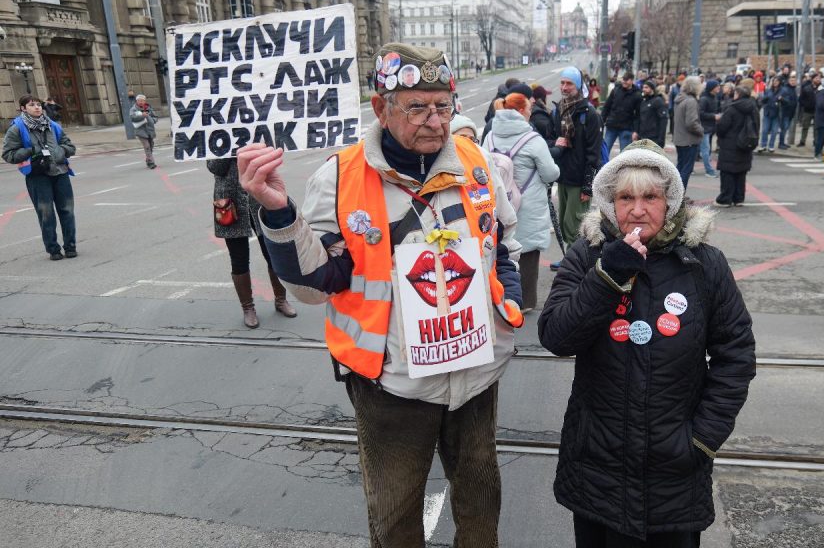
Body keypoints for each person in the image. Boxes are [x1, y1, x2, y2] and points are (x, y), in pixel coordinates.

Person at [236, 43, 523, 546]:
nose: (435, 121)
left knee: (482, 507)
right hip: (391, 385)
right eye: (417, 107)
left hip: (476, 375)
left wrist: (507, 307)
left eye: (444, 105)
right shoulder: (340, 177)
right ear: (381, 108)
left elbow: (504, 243)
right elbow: (314, 286)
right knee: (394, 519)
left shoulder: (478, 163)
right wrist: (280, 214)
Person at [537, 139, 756, 547]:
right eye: (626, 198)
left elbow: (736, 355)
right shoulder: (589, 255)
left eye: (650, 197)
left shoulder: (704, 264)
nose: (638, 210)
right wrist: (607, 275)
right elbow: (556, 336)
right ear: (610, 203)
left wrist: (703, 438)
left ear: (670, 201)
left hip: (675, 466)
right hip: (597, 463)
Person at [486, 91, 560, 311]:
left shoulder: (489, 135)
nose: (530, 111)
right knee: (527, 253)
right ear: (520, 111)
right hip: (527, 205)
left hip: (499, 203)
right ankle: (525, 303)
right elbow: (550, 174)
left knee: (499, 251)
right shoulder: (532, 139)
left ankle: (498, 297)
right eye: (528, 108)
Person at [208, 158, 297, 328]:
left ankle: (281, 300)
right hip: (229, 203)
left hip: (260, 200)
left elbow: (271, 160)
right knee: (239, 259)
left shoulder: (255, 133)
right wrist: (230, 150)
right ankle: (248, 308)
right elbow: (215, 167)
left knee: (273, 254)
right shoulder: (216, 135)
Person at [3, 94, 77, 261]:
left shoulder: (53, 125)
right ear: (23, 108)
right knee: (46, 213)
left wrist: (61, 151)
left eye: (38, 104)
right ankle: (53, 249)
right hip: (37, 175)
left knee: (67, 211)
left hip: (60, 171)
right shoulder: (17, 128)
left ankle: (70, 246)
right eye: (31, 105)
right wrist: (30, 151)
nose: (37, 107)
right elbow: (8, 154)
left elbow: (70, 146)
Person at [552, 66, 603, 269]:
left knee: (575, 225)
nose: (564, 87)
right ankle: (571, 259)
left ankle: (577, 264)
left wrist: (587, 185)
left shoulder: (589, 113)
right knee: (566, 224)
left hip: (579, 179)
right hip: (563, 176)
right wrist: (555, 143)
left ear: (578, 85)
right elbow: (549, 138)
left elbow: (594, 152)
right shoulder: (559, 110)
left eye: (569, 83)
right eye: (562, 83)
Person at [715, 85, 759, 207]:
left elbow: (722, 128)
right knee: (741, 172)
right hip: (746, 144)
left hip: (730, 144)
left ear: (738, 95)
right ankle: (739, 198)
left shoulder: (732, 109)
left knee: (728, 172)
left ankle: (725, 198)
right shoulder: (753, 108)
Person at [672, 76, 704, 187]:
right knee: (686, 169)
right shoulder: (691, 101)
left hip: (680, 138)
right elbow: (691, 123)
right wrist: (701, 131)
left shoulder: (680, 98)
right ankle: (679, 196)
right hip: (688, 140)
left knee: (680, 167)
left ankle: (675, 194)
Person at [602, 72, 642, 154]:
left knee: (624, 154)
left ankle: (623, 167)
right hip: (612, 125)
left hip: (626, 128)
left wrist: (636, 131)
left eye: (626, 80)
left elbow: (638, 115)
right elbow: (607, 106)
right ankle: (602, 166)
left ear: (631, 81)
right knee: (604, 150)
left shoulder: (637, 95)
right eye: (623, 79)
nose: (624, 82)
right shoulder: (616, 90)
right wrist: (602, 120)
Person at [698, 79, 721, 176]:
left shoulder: (714, 97)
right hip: (704, 127)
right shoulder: (704, 99)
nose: (719, 88)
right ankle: (709, 171)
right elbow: (700, 113)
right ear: (712, 88)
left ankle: (689, 168)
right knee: (705, 149)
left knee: (703, 149)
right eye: (717, 86)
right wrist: (713, 116)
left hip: (710, 126)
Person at [636, 79, 668, 147]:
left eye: (646, 87)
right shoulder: (643, 101)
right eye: (643, 87)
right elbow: (640, 118)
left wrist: (661, 139)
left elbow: (663, 120)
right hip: (642, 136)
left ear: (652, 89)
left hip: (653, 138)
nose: (643, 89)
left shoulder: (658, 101)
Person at [129, 94, 158, 169]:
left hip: (150, 130)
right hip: (140, 131)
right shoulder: (134, 109)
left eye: (142, 100)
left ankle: (148, 160)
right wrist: (142, 116)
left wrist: (152, 120)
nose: (141, 102)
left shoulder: (149, 108)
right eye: (139, 100)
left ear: (145, 101)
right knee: (147, 146)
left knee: (151, 145)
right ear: (136, 101)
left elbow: (155, 117)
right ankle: (151, 163)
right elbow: (132, 118)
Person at [757, 77, 782, 153]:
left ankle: (771, 146)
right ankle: (763, 145)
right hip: (767, 113)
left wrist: (781, 99)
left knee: (774, 131)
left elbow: (785, 101)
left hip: (776, 114)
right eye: (774, 81)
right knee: (764, 130)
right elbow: (762, 100)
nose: (775, 82)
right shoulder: (768, 90)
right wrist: (765, 99)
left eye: (777, 81)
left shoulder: (782, 91)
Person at [797, 73, 818, 147]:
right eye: (816, 78)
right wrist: (806, 105)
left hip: (817, 111)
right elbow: (801, 99)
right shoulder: (807, 88)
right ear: (812, 79)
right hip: (807, 111)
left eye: (818, 78)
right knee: (805, 126)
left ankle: (816, 141)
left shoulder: (821, 88)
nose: (818, 80)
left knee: (816, 127)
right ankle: (802, 141)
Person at [777, 74, 798, 149]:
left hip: (791, 112)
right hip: (785, 112)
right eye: (791, 80)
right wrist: (786, 101)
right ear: (788, 81)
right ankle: (781, 143)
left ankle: (782, 142)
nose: (793, 82)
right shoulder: (785, 89)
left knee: (786, 128)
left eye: (794, 81)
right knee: (784, 128)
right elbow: (781, 98)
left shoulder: (793, 89)